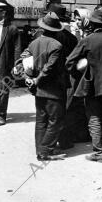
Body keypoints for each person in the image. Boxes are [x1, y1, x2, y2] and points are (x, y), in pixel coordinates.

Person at [66, 9, 102, 162]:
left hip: (92, 85)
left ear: (91, 24)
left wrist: (80, 71)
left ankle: (98, 152)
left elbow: (69, 62)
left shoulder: (87, 40)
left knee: (94, 117)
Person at [21, 13, 68, 161]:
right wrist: (37, 80)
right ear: (56, 30)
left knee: (41, 120)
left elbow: (23, 60)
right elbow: (49, 68)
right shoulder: (57, 45)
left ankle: (40, 150)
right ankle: (46, 151)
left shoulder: (33, 43)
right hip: (53, 89)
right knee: (55, 120)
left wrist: (28, 78)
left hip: (39, 91)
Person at [0, 1, 20, 126]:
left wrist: (17, 64)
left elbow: (17, 48)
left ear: (3, 13)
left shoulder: (12, 28)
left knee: (2, 90)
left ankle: (1, 115)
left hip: (4, 62)